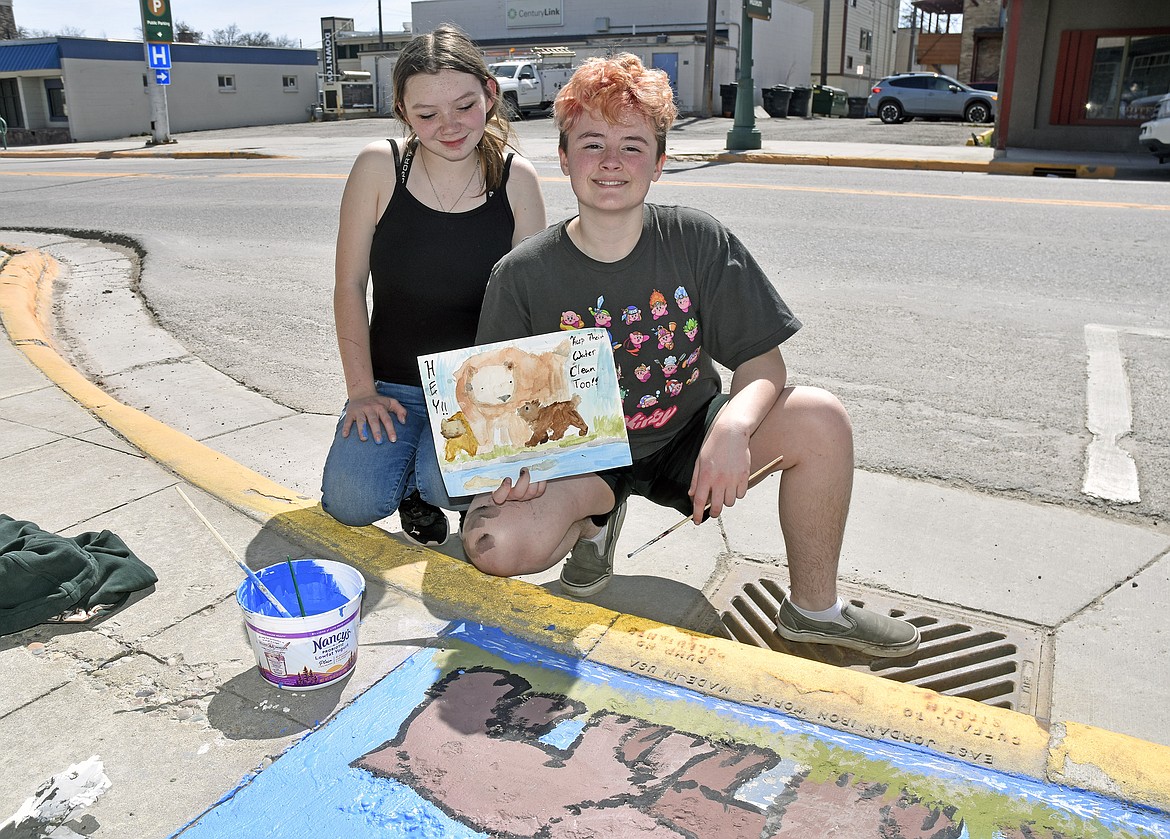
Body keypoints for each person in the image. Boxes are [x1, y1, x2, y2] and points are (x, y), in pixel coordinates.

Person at [462, 54, 919, 657]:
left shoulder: (697, 239)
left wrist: (733, 425)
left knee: (821, 419)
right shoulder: (520, 275)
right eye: (592, 143)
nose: (610, 162)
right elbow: (491, 417)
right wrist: (506, 481)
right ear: (565, 156)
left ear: (659, 162)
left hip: (691, 434)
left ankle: (814, 609)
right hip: (584, 451)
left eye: (632, 145)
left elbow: (763, 364)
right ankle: (595, 520)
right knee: (493, 545)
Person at [321, 25, 546, 546]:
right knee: (350, 503)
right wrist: (360, 392)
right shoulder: (379, 167)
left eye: (465, 106)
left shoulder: (518, 179)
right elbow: (349, 285)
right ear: (402, 110)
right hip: (391, 385)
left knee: (446, 484)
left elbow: (526, 306)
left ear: (491, 94)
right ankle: (407, 482)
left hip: (475, 391)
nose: (448, 126)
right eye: (426, 115)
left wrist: (504, 411)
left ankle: (426, 484)